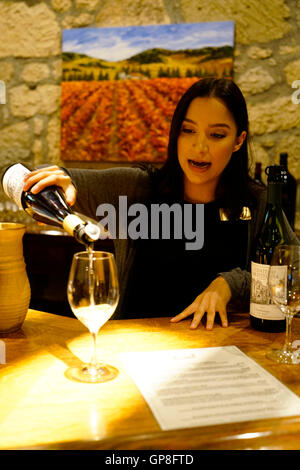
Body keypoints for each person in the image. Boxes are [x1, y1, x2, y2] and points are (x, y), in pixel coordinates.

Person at [21, 78, 298, 329]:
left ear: (238, 141)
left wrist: (232, 283)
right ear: (175, 133)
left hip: (221, 355)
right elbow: (32, 180)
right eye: (188, 130)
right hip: (136, 351)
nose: (200, 146)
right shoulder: (135, 189)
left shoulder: (256, 203)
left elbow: (294, 274)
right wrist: (60, 179)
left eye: (216, 135)